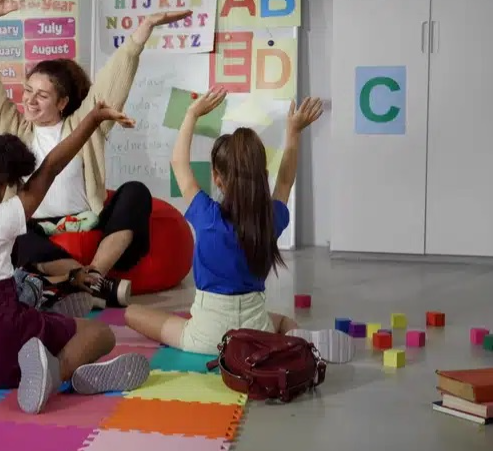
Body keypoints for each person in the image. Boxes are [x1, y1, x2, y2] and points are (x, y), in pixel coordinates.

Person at [0, 35, 150, 415]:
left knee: (45, 311)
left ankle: (52, 364)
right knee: (100, 333)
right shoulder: (1, 220)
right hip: (9, 345)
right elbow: (51, 166)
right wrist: (93, 119)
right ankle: (57, 372)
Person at [0, 0, 192, 308]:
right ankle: (95, 286)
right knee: (14, 232)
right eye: (28, 90)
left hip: (86, 220)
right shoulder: (13, 129)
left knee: (136, 192)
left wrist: (142, 31)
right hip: (35, 230)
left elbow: (111, 84)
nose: (30, 100)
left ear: (62, 102)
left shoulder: (83, 127)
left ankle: (92, 278)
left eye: (42, 95)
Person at [125, 93, 354, 363]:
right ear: (262, 174)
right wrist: (293, 131)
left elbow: (178, 163)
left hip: (207, 337)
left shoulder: (207, 217)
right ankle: (296, 342)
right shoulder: (269, 219)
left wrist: (191, 114)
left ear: (217, 178)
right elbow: (285, 181)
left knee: (131, 313)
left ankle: (278, 342)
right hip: (256, 330)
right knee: (282, 322)